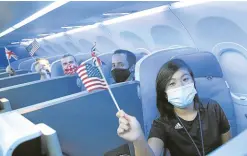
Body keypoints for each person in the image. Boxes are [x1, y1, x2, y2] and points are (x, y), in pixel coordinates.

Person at [116, 59, 231, 156]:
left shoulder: (212, 107)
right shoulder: (162, 124)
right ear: (165, 93)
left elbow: (229, 145)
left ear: (193, 82)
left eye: (185, 79)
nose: (181, 86)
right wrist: (138, 139)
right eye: (172, 83)